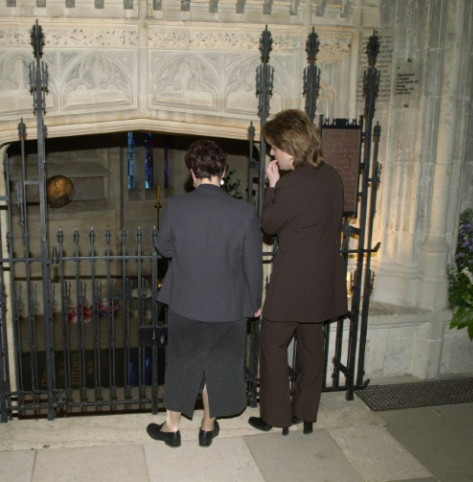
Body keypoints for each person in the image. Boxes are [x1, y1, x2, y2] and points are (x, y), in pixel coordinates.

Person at [147, 139, 263, 448]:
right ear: (223, 171)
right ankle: (207, 427)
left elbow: (165, 248)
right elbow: (253, 263)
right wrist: (255, 302)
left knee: (182, 361)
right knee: (221, 365)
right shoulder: (245, 212)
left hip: (185, 302)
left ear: (192, 171)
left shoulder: (176, 206)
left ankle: (172, 428)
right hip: (230, 306)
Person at [248, 109, 347, 436]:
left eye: (274, 147)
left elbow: (269, 225)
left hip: (293, 283)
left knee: (272, 344)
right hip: (322, 281)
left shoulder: (292, 185)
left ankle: (276, 415)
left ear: (290, 146)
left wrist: (273, 186)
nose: (271, 153)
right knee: (311, 346)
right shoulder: (332, 176)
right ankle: (306, 412)